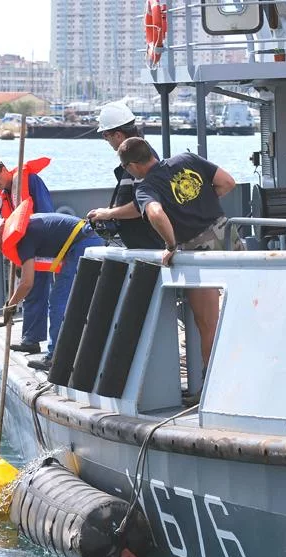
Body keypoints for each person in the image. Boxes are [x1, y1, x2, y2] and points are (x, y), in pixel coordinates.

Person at [117, 136, 244, 382]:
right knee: (249, 304)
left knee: (208, 323)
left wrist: (171, 244)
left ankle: (215, 382)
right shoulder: (188, 159)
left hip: (198, 251)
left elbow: (155, 212)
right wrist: (202, 204)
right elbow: (227, 182)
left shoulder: (146, 188)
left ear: (132, 166)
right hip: (228, 235)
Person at [0, 212, 105, 371]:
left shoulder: (23, 238)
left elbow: (27, 283)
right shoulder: (24, 229)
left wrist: (10, 306)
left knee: (58, 302)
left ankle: (55, 358)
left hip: (83, 243)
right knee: (64, 300)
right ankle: (61, 351)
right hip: (83, 239)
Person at [0, 153, 56, 356]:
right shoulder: (2, 197)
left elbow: (46, 212)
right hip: (27, 249)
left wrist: (35, 246)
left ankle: (48, 343)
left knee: (53, 293)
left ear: (3, 168)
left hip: (43, 242)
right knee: (32, 290)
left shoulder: (30, 181)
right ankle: (31, 338)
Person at [85, 103, 164, 250]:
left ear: (118, 135)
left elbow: (143, 205)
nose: (105, 139)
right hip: (139, 245)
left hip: (148, 246)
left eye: (105, 134)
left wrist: (108, 213)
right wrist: (104, 213)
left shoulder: (141, 160)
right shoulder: (138, 156)